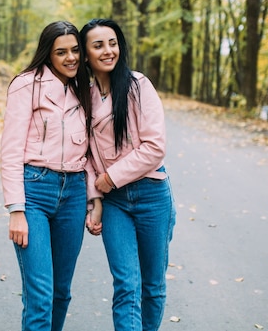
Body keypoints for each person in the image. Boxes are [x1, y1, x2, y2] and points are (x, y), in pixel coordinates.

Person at [0, 20, 99, 331]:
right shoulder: (26, 85)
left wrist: (94, 198)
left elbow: (91, 154)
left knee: (60, 293)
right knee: (40, 294)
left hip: (73, 194)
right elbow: (11, 151)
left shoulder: (86, 89)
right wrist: (16, 210)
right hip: (35, 192)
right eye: (61, 52)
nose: (69, 57)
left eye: (74, 50)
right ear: (48, 54)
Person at [81, 18, 176, 331]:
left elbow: (154, 147)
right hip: (116, 203)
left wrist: (109, 177)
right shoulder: (84, 97)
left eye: (113, 43)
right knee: (126, 284)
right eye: (98, 45)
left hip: (152, 195)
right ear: (85, 54)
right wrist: (95, 199)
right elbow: (85, 156)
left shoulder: (138, 85)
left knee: (153, 285)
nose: (108, 50)